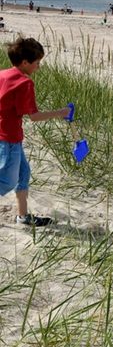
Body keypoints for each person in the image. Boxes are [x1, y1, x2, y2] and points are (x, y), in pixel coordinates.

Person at [0, 37, 70, 226]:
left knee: (23, 173)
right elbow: (34, 116)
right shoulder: (24, 83)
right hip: (8, 138)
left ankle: (23, 217)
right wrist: (61, 112)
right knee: (6, 181)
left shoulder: (2, 74)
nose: (38, 67)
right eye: (37, 63)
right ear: (25, 62)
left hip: (6, 135)